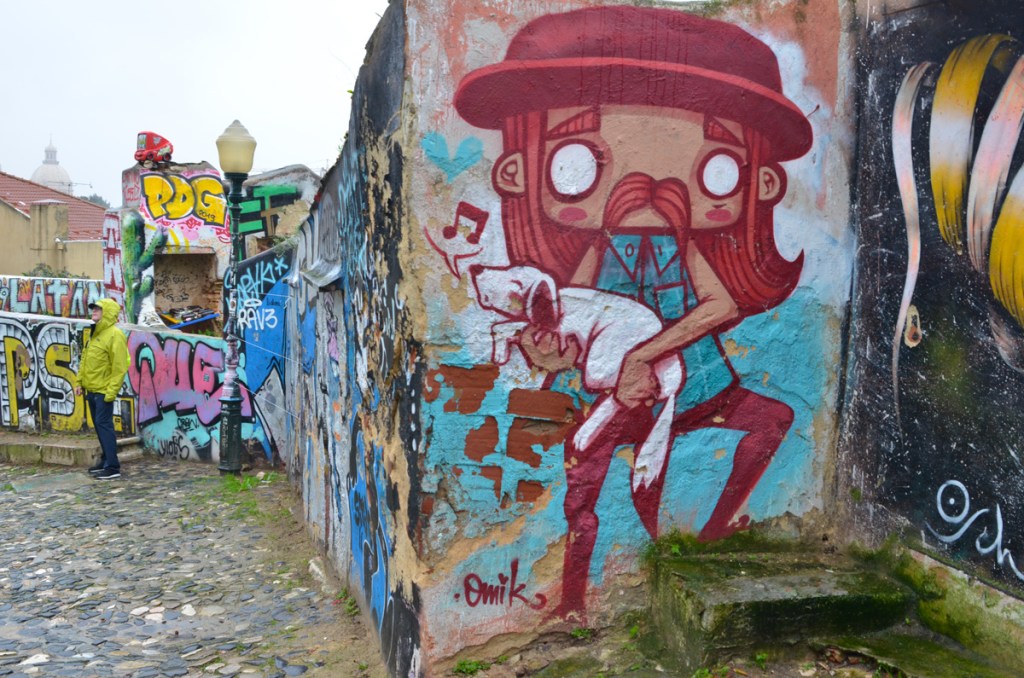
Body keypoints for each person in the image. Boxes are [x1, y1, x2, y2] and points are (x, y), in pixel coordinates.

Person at [453, 6, 813, 617]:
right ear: (517, 170)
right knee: (583, 479)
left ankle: (713, 532)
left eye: (714, 166)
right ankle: (572, 600)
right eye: (578, 162)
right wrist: (551, 353)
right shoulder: (598, 250)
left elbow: (721, 305)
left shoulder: (686, 247)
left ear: (764, 184)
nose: (646, 179)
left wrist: (647, 353)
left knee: (773, 420)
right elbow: (574, 314)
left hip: (697, 384)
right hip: (622, 396)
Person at [75, 298, 130, 480]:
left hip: (103, 391)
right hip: (92, 390)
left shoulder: (115, 334)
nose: (94, 311)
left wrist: (110, 392)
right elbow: (85, 360)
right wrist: (79, 382)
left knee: (104, 426)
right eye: (94, 308)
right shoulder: (96, 334)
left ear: (107, 312)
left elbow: (120, 366)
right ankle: (106, 460)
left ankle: (113, 467)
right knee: (99, 426)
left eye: (98, 309)